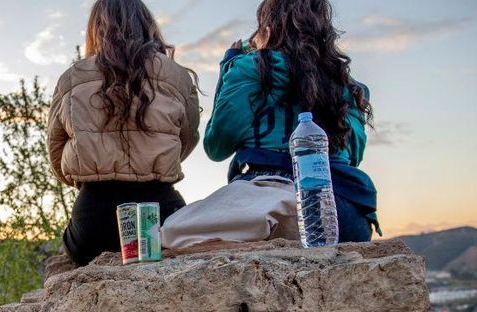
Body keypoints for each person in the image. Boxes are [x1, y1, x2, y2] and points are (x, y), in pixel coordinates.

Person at [203, 0, 379, 242]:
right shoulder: (349, 86)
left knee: (176, 231)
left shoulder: (249, 69)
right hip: (346, 212)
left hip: (267, 204)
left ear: (267, 28)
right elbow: (353, 158)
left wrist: (229, 65)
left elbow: (216, 146)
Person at [47, 0, 200, 266]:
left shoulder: (71, 79)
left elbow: (56, 153)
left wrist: (91, 172)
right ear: (147, 25)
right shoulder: (176, 76)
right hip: (159, 211)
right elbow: (186, 140)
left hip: (94, 218)